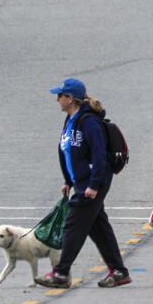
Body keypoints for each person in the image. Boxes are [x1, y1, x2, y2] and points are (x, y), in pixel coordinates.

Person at [36, 77, 131, 289]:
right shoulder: (71, 120)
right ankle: (119, 271)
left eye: (60, 96)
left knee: (73, 224)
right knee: (98, 228)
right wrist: (68, 181)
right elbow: (69, 152)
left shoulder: (89, 122)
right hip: (81, 181)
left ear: (70, 98)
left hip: (93, 181)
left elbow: (99, 155)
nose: (57, 99)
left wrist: (94, 185)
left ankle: (61, 273)